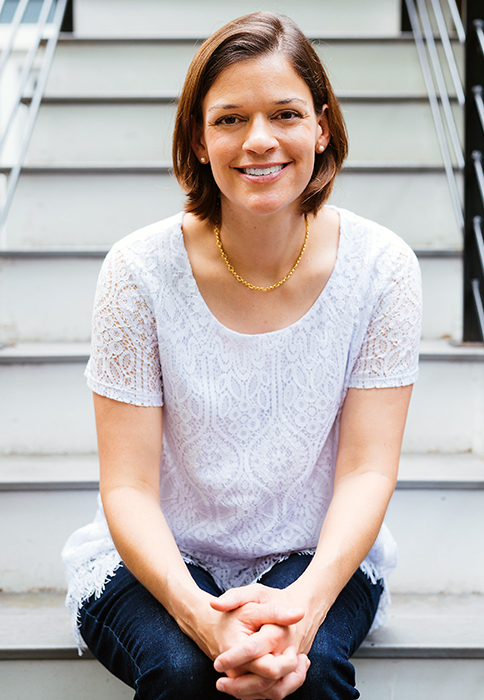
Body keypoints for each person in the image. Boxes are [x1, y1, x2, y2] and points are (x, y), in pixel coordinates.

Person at [62, 11, 422, 700]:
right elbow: (128, 489)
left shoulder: (382, 269)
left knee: (307, 678)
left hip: (317, 554)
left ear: (321, 126)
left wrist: (307, 604)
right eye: (229, 119)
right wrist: (203, 619)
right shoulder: (137, 270)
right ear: (198, 139)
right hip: (160, 556)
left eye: (284, 113)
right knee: (186, 673)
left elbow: (368, 469)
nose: (259, 141)